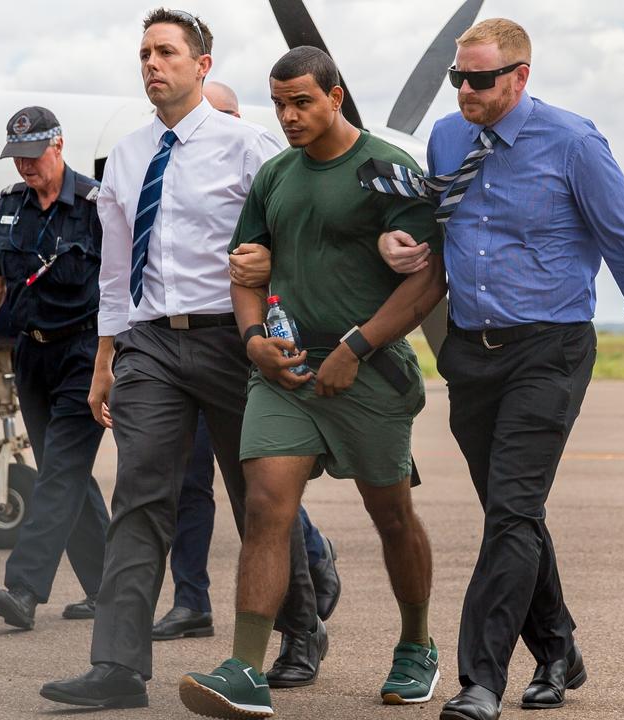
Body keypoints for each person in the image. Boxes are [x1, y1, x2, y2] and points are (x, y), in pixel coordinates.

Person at [369, 19, 624, 720]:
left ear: (520, 76)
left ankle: (478, 680)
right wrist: (400, 247)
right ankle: (558, 650)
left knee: (511, 512)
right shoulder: (449, 138)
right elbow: (435, 226)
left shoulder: (574, 143)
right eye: (458, 77)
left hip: (550, 349)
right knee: (514, 514)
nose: (464, 91)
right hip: (469, 352)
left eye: (480, 79)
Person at [38, 10, 322, 709]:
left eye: (166, 52)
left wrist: (277, 299)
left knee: (257, 497)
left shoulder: (249, 147)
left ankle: (300, 631)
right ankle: (117, 668)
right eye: (143, 53)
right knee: (139, 499)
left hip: (234, 339)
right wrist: (106, 356)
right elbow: (112, 270)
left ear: (203, 65)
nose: (151, 64)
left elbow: (295, 237)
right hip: (152, 343)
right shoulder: (127, 156)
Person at [178, 46, 446, 719]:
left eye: (303, 101)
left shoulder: (387, 169)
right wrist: (252, 343)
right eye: (280, 104)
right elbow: (246, 274)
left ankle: (416, 644)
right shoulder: (274, 177)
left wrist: (359, 345)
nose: (290, 116)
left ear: (336, 96)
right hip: (286, 373)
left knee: (391, 515)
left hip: (370, 373)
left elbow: (427, 278)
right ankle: (245, 667)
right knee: (267, 502)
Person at [155, 81, 342, 643]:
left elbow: (306, 241)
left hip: (247, 341)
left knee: (259, 490)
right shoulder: (171, 161)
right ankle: (190, 600)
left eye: (227, 113)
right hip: (179, 344)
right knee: (183, 482)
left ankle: (302, 607)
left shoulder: (261, 155)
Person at [0, 106, 110, 630]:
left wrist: (116, 357)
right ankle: (111, 590)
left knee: (60, 474)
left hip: (85, 354)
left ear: (59, 145)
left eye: (33, 155)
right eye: (16, 157)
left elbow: (125, 282)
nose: (25, 167)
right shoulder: (12, 205)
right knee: (67, 475)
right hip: (32, 355)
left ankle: (23, 588)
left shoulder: (95, 205)